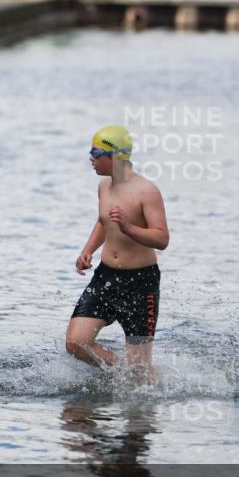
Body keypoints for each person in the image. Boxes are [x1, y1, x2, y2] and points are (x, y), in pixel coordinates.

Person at [65, 125, 169, 382]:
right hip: (105, 277)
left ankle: (138, 378)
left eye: (96, 152)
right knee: (76, 343)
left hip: (140, 284)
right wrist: (88, 250)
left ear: (117, 156)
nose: (90, 157)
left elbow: (162, 238)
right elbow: (103, 221)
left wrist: (128, 226)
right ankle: (122, 373)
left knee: (141, 369)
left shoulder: (147, 191)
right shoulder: (104, 187)